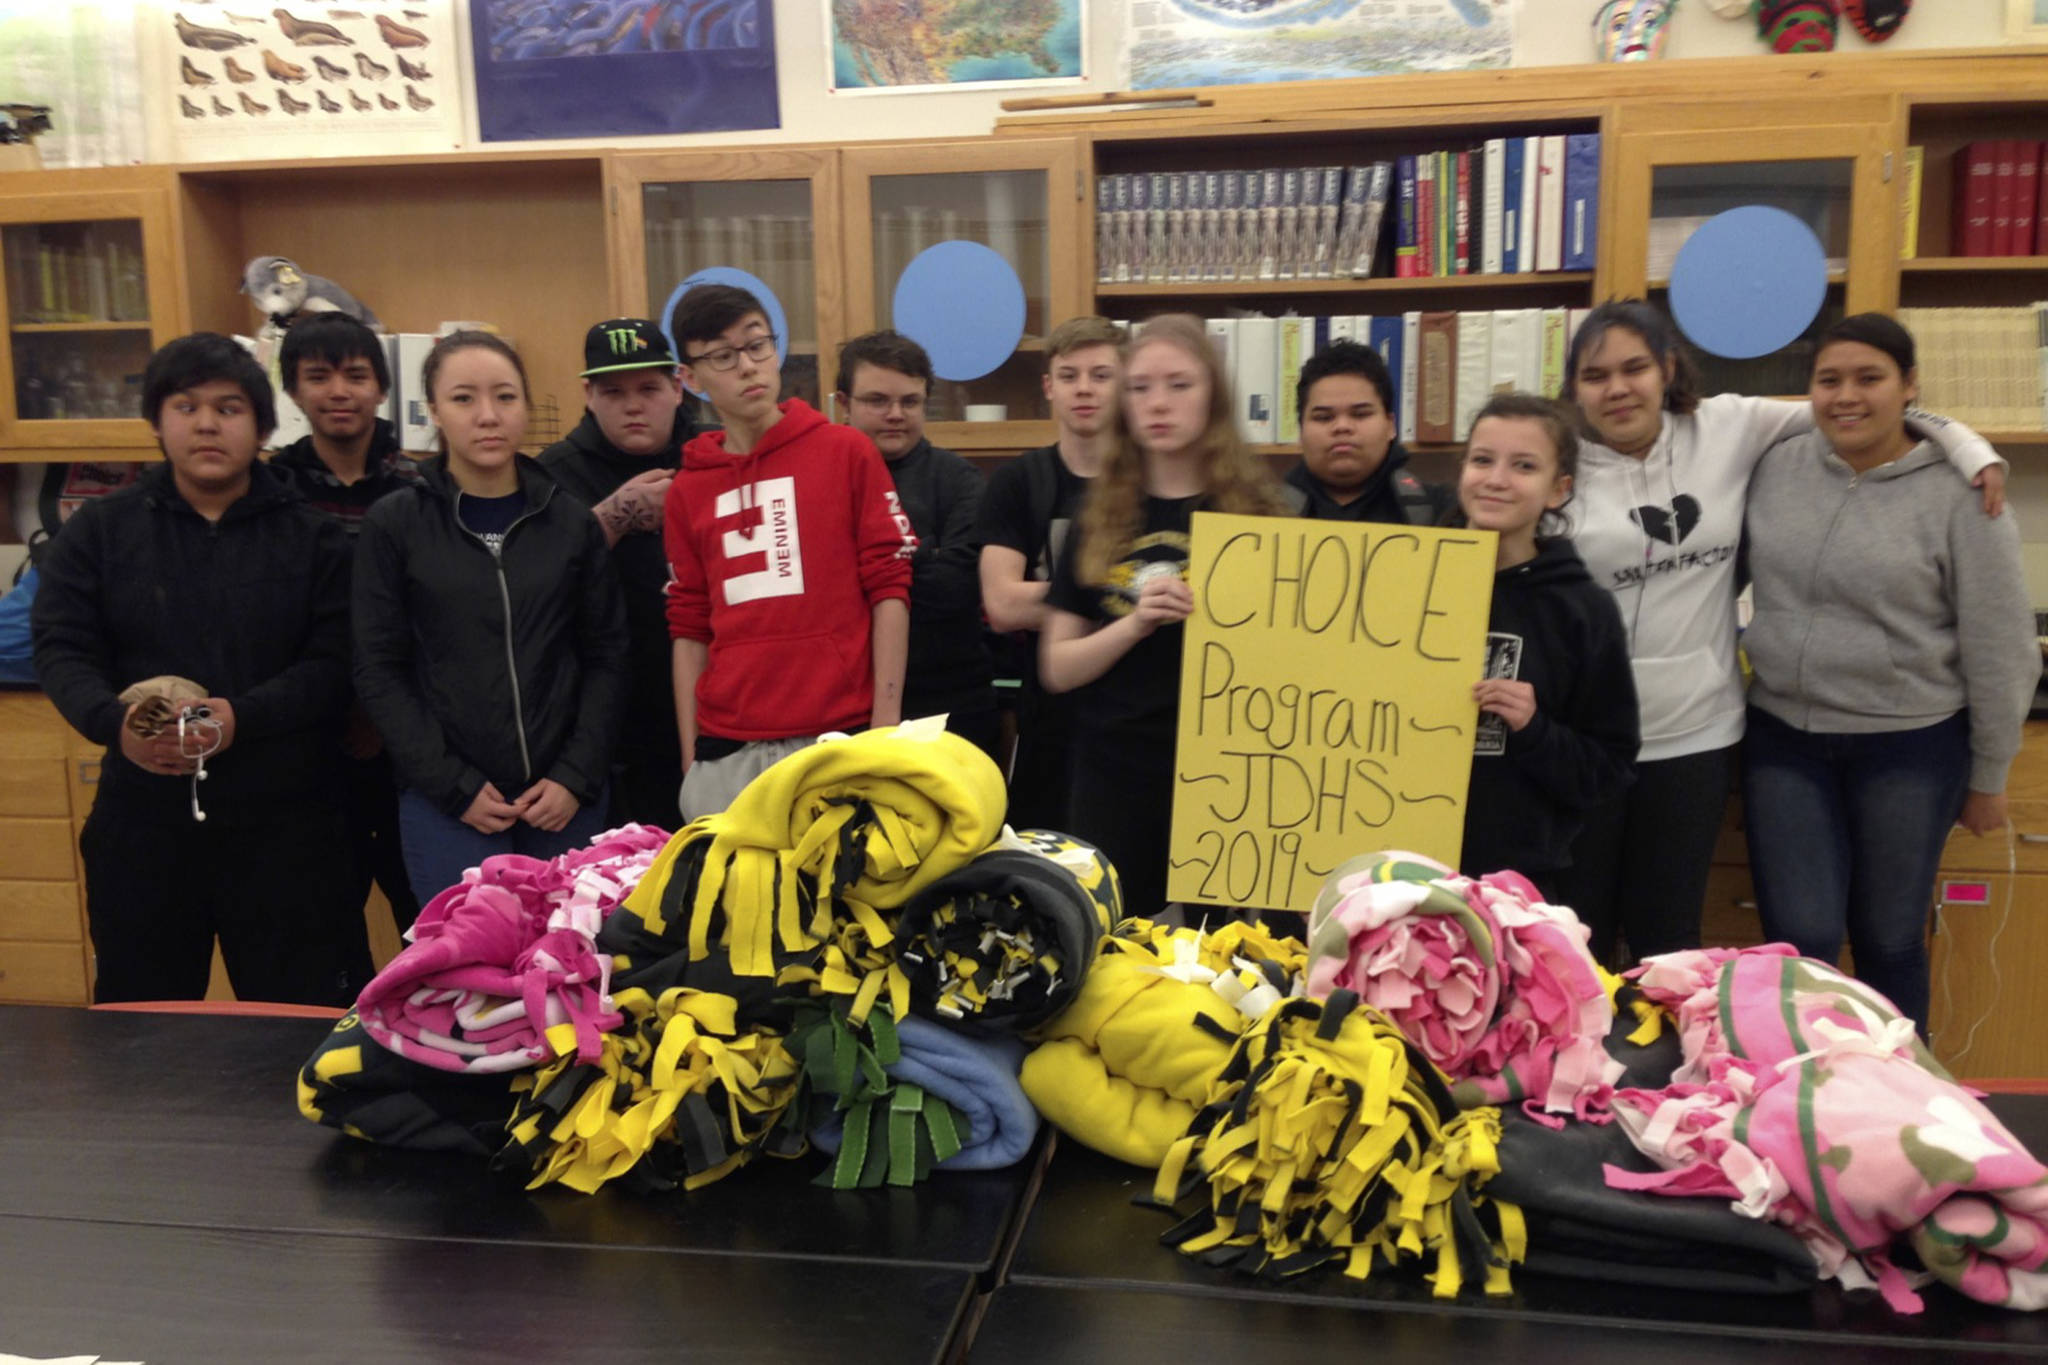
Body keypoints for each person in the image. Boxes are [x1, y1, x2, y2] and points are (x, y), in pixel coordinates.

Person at [1553, 298, 2006, 968]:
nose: (1617, 388)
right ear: (1574, 388)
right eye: (1595, 376)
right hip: (1583, 739)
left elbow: (1860, 409)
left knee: (1668, 945)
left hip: (1697, 737)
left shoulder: (1729, 426)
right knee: (1572, 935)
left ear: (1667, 369)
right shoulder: (1556, 463)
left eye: (1634, 368)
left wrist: (1969, 447)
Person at [32, 332, 371, 1004]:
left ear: (263, 428)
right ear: (157, 422)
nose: (208, 424)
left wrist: (242, 717)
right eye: (186, 407)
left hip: (290, 829)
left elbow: (336, 662)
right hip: (142, 825)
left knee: (304, 1023)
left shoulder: (314, 538)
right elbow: (61, 647)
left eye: (229, 408)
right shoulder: (101, 531)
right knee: (141, 1020)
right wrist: (115, 724)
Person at [1741, 314, 2035, 1032]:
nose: (1847, 396)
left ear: (1909, 386)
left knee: (1889, 937)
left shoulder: (1964, 493)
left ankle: (1901, 1088)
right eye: (1829, 380)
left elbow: (2001, 644)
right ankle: (1801, 1086)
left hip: (1910, 745)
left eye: (1869, 378)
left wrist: (1990, 774)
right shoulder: (1777, 464)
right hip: (1783, 736)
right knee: (1799, 938)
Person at [353, 331, 629, 905]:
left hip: (564, 801)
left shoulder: (570, 522)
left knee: (571, 955)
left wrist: (575, 775)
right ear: (433, 410)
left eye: (505, 396)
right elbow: (379, 668)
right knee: (467, 958)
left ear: (526, 406)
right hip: (449, 807)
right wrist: (453, 786)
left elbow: (607, 656)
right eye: (463, 398)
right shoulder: (396, 524)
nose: (487, 416)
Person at [1042, 313, 1287, 919]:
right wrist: (1135, 623)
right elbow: (1058, 668)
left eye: (1179, 384)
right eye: (1140, 387)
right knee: (1114, 942)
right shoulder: (1097, 516)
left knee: (1229, 951)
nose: (1158, 403)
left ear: (1213, 397)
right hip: (1116, 768)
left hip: (1230, 773)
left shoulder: (1261, 514)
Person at [663, 283, 916, 821]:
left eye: (758, 345)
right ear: (690, 378)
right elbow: (689, 625)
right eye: (723, 356)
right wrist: (691, 753)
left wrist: (885, 726)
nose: (748, 366)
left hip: (840, 734)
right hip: (727, 745)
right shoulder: (689, 488)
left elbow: (890, 587)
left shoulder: (846, 451)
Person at [269, 311, 423, 931]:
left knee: (427, 918)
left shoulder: (420, 486)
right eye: (318, 376)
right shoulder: (273, 491)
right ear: (292, 389)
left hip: (410, 743)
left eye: (356, 376)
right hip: (306, 746)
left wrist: (383, 715)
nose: (339, 392)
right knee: (321, 927)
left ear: (381, 388)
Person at [1454, 393, 1638, 900]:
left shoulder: (1582, 610)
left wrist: (1534, 729)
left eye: (1524, 466)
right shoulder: (1400, 579)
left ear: (1558, 490)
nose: (1496, 479)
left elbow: (1607, 770)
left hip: (1514, 881)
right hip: (1394, 869)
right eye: (1482, 460)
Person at [539, 317, 693, 829]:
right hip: (604, 731)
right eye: (613, 392)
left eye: (649, 388)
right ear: (588, 395)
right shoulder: (551, 475)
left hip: (713, 711)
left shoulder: (715, 454)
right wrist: (611, 517)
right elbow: (531, 590)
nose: (633, 406)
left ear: (678, 387)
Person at [978, 315, 1124, 831]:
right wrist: (1123, 602)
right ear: (1048, 388)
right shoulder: (1018, 482)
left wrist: (1054, 601)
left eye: (1101, 375)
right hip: (1048, 718)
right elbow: (1002, 604)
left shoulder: (1157, 482)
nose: (1084, 388)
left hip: (1139, 716)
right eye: (1069, 375)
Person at [835, 329, 997, 758]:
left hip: (951, 705)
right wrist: (921, 558)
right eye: (877, 401)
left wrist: (861, 578)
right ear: (843, 404)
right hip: (842, 704)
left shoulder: (961, 481)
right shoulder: (820, 482)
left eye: (910, 402)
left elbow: (955, 590)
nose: (895, 414)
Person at [1284, 339, 1452, 525]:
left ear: (1391, 426)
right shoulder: (1265, 513)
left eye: (1360, 414)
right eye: (1324, 417)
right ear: (1300, 431)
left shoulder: (1444, 512)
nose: (1342, 426)